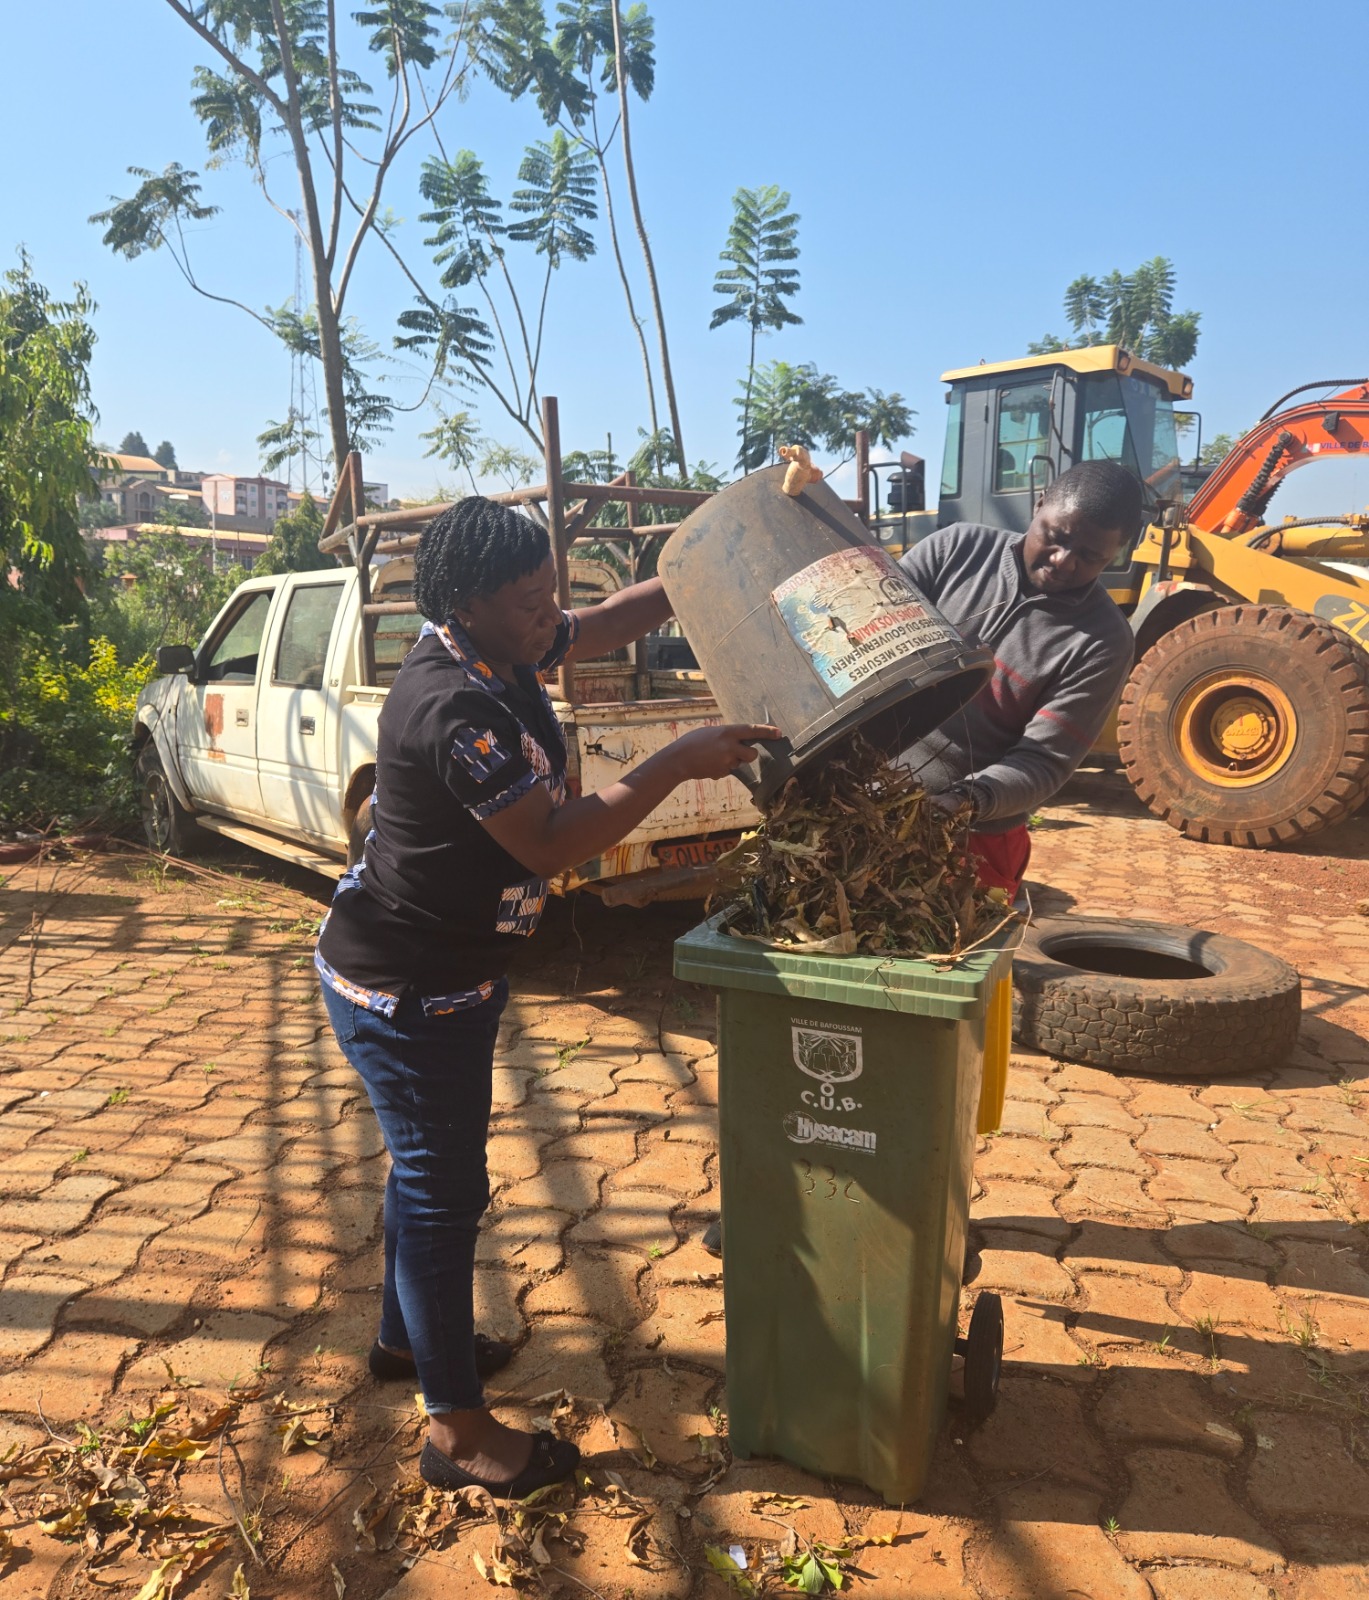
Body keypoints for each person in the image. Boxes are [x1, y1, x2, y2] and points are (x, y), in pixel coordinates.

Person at [314, 497, 775, 1498]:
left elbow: (603, 623)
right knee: (442, 1190)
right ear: (467, 604)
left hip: (448, 973)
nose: (551, 613)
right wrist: (675, 761)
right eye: (530, 600)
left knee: (425, 1174)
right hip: (407, 989)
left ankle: (404, 1342)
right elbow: (551, 842)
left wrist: (698, 567)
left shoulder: (501, 646)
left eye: (550, 591)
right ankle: (456, 1434)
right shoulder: (452, 708)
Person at [896, 459, 1140, 898]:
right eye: (1056, 537)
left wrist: (963, 801)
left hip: (970, 835)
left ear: (1117, 552)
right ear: (1038, 504)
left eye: (1090, 557)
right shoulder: (955, 550)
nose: (1063, 561)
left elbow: (1043, 761)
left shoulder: (1104, 641)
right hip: (859, 785)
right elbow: (864, 627)